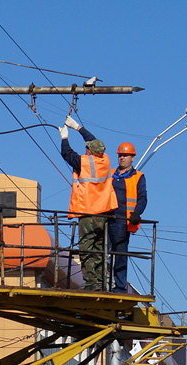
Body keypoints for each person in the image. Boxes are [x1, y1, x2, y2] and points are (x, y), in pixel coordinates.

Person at [60, 115, 118, 290]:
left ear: (90, 151)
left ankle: (92, 283)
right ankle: (100, 283)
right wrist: (78, 127)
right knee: (100, 250)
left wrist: (64, 137)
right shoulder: (105, 160)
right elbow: (93, 140)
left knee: (86, 249)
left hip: (88, 213)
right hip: (104, 214)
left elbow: (67, 154)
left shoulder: (84, 162)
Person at [108, 142, 147, 293]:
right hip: (106, 218)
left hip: (123, 221)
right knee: (101, 252)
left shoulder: (138, 177)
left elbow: (143, 198)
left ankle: (119, 286)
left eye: (125, 155)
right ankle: (99, 284)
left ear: (132, 158)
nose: (122, 158)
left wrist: (137, 213)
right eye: (120, 155)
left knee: (120, 254)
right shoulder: (110, 174)